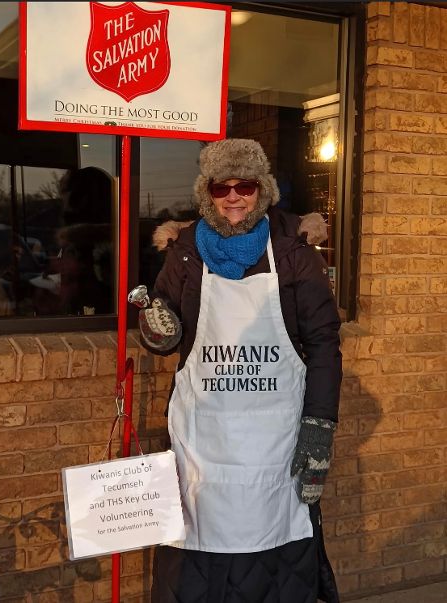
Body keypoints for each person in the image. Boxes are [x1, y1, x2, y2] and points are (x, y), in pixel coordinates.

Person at [129, 138, 342, 603]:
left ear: (261, 190)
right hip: (203, 442)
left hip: (277, 445)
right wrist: (156, 331)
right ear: (207, 193)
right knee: (198, 560)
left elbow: (325, 343)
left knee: (274, 570)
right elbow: (164, 328)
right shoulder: (184, 253)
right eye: (220, 187)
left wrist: (319, 426)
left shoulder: (292, 252)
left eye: (243, 185)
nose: (233, 197)